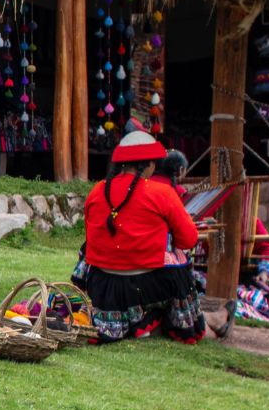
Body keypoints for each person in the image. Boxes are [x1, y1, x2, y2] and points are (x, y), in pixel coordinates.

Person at [75, 130, 204, 343]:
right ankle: (166, 321)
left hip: (103, 284)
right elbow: (189, 239)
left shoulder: (97, 191)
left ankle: (138, 322)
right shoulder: (161, 192)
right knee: (181, 259)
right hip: (147, 284)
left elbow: (92, 236)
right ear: (151, 165)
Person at [157, 149, 269, 324]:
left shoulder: (248, 221)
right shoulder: (205, 213)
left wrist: (264, 273)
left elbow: (266, 247)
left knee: (261, 290)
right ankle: (266, 307)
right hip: (206, 273)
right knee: (218, 288)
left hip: (244, 273)